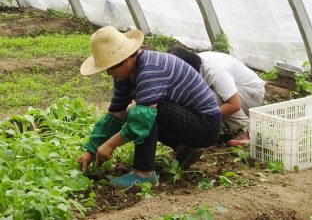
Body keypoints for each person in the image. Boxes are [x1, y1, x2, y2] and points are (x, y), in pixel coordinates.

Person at [76, 26, 221, 188]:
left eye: (112, 67)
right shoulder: (124, 75)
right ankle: (185, 148)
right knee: (138, 113)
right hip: (187, 120)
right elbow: (115, 115)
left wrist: (110, 145)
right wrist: (91, 149)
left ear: (128, 57)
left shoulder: (150, 69)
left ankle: (144, 173)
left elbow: (141, 120)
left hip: (205, 125)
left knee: (143, 113)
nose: (109, 73)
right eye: (106, 69)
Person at [167, 47, 265, 146]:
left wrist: (203, 118)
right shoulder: (195, 65)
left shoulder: (214, 70)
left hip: (253, 93)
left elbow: (234, 105)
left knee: (208, 97)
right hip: (238, 93)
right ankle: (224, 127)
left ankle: (242, 130)